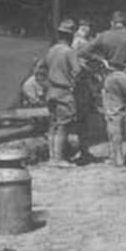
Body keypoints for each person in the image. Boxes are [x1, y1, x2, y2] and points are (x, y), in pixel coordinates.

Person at [79, 11, 126, 166]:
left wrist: (102, 60)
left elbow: (83, 51)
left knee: (114, 119)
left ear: (112, 23)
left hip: (111, 77)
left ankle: (118, 157)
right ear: (125, 23)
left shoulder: (104, 35)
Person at [38, 19, 83, 167]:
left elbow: (39, 71)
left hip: (51, 92)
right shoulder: (69, 52)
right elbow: (78, 71)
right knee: (63, 125)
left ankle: (52, 158)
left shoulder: (51, 50)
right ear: (70, 36)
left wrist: (45, 86)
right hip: (64, 92)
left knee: (53, 125)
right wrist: (72, 84)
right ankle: (59, 159)